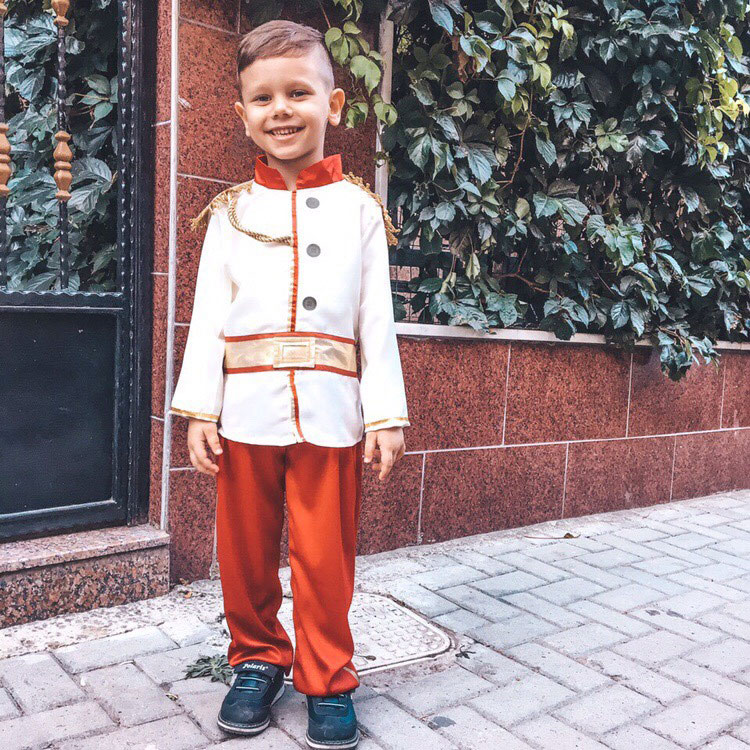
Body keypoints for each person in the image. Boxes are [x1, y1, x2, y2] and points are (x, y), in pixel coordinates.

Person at [168, 18, 410, 750]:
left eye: (298, 93)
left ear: (332, 104)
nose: (281, 110)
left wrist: (385, 414)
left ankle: (328, 676)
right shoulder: (230, 214)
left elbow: (376, 320)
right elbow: (208, 316)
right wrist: (199, 409)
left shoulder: (361, 210)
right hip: (244, 411)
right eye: (263, 98)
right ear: (242, 114)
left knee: (325, 555)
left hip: (332, 413)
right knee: (243, 551)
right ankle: (256, 659)